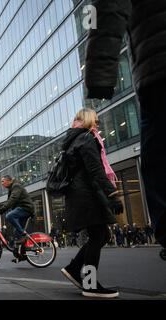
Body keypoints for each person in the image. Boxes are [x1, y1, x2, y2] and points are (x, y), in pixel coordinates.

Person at [84, 0, 166, 251]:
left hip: (158, 69)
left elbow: (107, 8)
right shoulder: (86, 140)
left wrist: (98, 76)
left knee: (159, 162)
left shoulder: (86, 140)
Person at [60, 108, 124, 298]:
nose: (97, 124)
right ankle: (89, 284)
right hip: (87, 195)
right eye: (95, 120)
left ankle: (74, 269)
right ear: (87, 120)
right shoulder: (87, 138)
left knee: (101, 235)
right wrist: (112, 194)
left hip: (80, 195)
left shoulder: (73, 140)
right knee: (98, 235)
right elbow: (96, 170)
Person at [0, 175, 35, 246]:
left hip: (25, 208)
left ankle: (23, 234)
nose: (2, 183)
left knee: (9, 216)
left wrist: (0, 211)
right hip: (22, 209)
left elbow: (12, 201)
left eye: (3, 181)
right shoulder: (12, 188)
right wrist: (1, 210)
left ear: (8, 181)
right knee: (16, 233)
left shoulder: (16, 186)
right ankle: (21, 254)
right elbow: (9, 202)